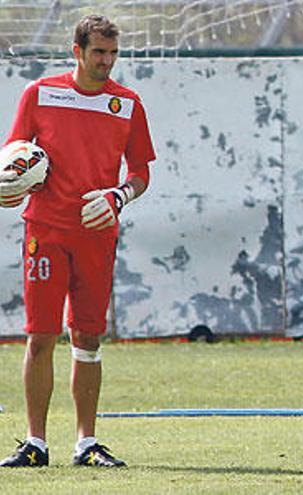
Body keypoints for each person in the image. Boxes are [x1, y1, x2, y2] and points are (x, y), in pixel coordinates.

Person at [0, 14, 155, 468]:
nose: (106, 62)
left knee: (88, 336)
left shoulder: (127, 104)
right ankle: (35, 443)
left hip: (97, 233)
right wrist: (11, 189)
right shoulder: (40, 94)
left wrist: (118, 195)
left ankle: (86, 443)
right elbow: (13, 159)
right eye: (98, 53)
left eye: (112, 53)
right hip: (45, 231)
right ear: (77, 51)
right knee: (41, 335)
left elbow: (141, 173)